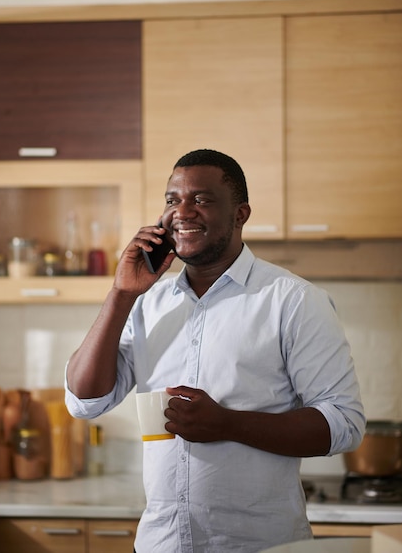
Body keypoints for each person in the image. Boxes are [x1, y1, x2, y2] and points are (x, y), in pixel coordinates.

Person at [65, 149, 365, 553]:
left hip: (259, 547)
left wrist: (226, 424)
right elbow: (85, 400)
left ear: (241, 214)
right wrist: (121, 293)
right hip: (160, 544)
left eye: (201, 199)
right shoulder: (147, 302)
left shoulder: (292, 300)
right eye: (173, 200)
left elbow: (344, 423)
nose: (182, 212)